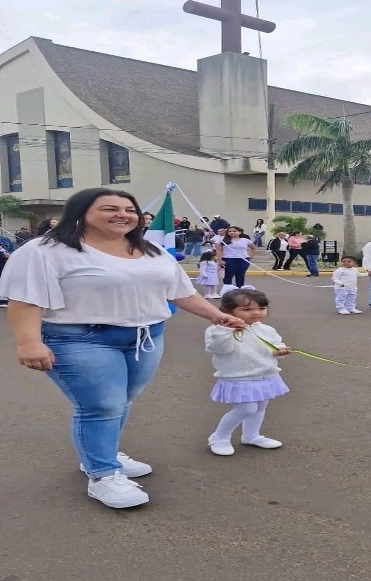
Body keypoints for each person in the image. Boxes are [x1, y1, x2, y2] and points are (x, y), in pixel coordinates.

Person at [0, 188, 244, 509]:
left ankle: (101, 453)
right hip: (80, 339)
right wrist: (29, 342)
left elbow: (180, 292)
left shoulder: (150, 248)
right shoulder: (46, 250)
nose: (123, 214)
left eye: (129, 209)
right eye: (109, 208)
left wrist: (217, 316)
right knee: (101, 406)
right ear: (81, 212)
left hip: (146, 337)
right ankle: (102, 474)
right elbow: (25, 299)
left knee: (122, 400)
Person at [205, 289, 291, 456]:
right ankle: (219, 437)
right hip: (239, 377)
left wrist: (279, 350)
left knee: (260, 407)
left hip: (265, 375)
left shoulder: (266, 329)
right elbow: (220, 350)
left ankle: (251, 435)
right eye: (247, 309)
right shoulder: (217, 330)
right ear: (227, 311)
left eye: (262, 308)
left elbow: (276, 344)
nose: (256, 313)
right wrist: (226, 330)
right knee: (246, 409)